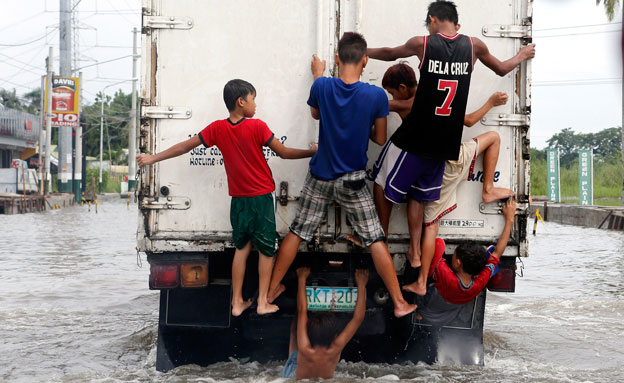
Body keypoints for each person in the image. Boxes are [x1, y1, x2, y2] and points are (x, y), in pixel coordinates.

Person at [367, 0, 535, 295]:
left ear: (432, 20)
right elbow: (501, 69)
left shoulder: (423, 44)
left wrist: (360, 53)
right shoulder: (475, 46)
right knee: (421, 201)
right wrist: (521, 54)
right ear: (454, 22)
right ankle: (416, 254)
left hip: (417, 139)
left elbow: (392, 53)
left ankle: (379, 241)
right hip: (444, 145)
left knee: (384, 186)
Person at [266, 32, 417, 318]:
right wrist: (363, 126)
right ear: (365, 60)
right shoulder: (375, 96)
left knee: (297, 232)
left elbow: (315, 115)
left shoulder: (322, 86)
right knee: (375, 240)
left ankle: (271, 290)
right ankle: (399, 303)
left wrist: (318, 75)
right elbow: (381, 138)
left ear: (337, 59)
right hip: (354, 181)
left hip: (320, 177)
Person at [136, 79, 316, 316]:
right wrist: (312, 152)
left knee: (241, 249)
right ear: (241, 102)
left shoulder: (217, 129)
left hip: (238, 200)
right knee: (266, 251)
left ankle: (237, 303)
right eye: (253, 99)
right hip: (261, 198)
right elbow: (283, 153)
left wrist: (152, 158)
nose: (255, 105)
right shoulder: (257, 126)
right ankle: (262, 302)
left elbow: (184, 147)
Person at [373, 62, 513, 272]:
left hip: (436, 164)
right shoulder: (435, 96)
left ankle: (412, 251)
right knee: (422, 206)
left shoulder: (407, 105)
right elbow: (469, 120)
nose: (392, 97)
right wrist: (491, 103)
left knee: (419, 210)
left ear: (403, 88)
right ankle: (488, 188)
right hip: (442, 159)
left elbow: (380, 105)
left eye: (392, 92)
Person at [413, 199, 516, 309]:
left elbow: (437, 244)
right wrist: (509, 219)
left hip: (432, 304)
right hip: (448, 306)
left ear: (458, 263)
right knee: (491, 252)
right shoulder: (479, 283)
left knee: (437, 248)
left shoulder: (446, 276)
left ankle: (418, 312)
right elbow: (497, 253)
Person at [281, 267, 368, 380]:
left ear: (309, 334)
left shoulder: (305, 348)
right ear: (334, 335)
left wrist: (302, 279)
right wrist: (361, 285)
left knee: (294, 332)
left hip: (295, 376)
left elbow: (302, 309)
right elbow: (358, 318)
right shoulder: (335, 348)